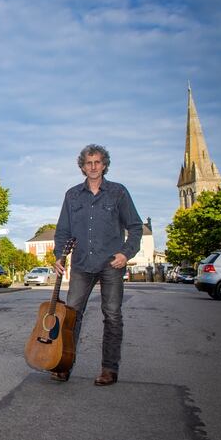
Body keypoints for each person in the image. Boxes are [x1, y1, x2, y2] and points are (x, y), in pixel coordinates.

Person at [52, 144, 142, 386]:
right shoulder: (72, 195)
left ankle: (109, 370)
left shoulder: (118, 192)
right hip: (81, 264)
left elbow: (135, 227)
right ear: (82, 166)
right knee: (71, 316)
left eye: (97, 162)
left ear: (104, 165)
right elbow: (63, 231)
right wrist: (59, 256)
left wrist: (125, 253)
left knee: (112, 315)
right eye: (88, 163)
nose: (93, 167)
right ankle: (64, 364)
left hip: (111, 264)